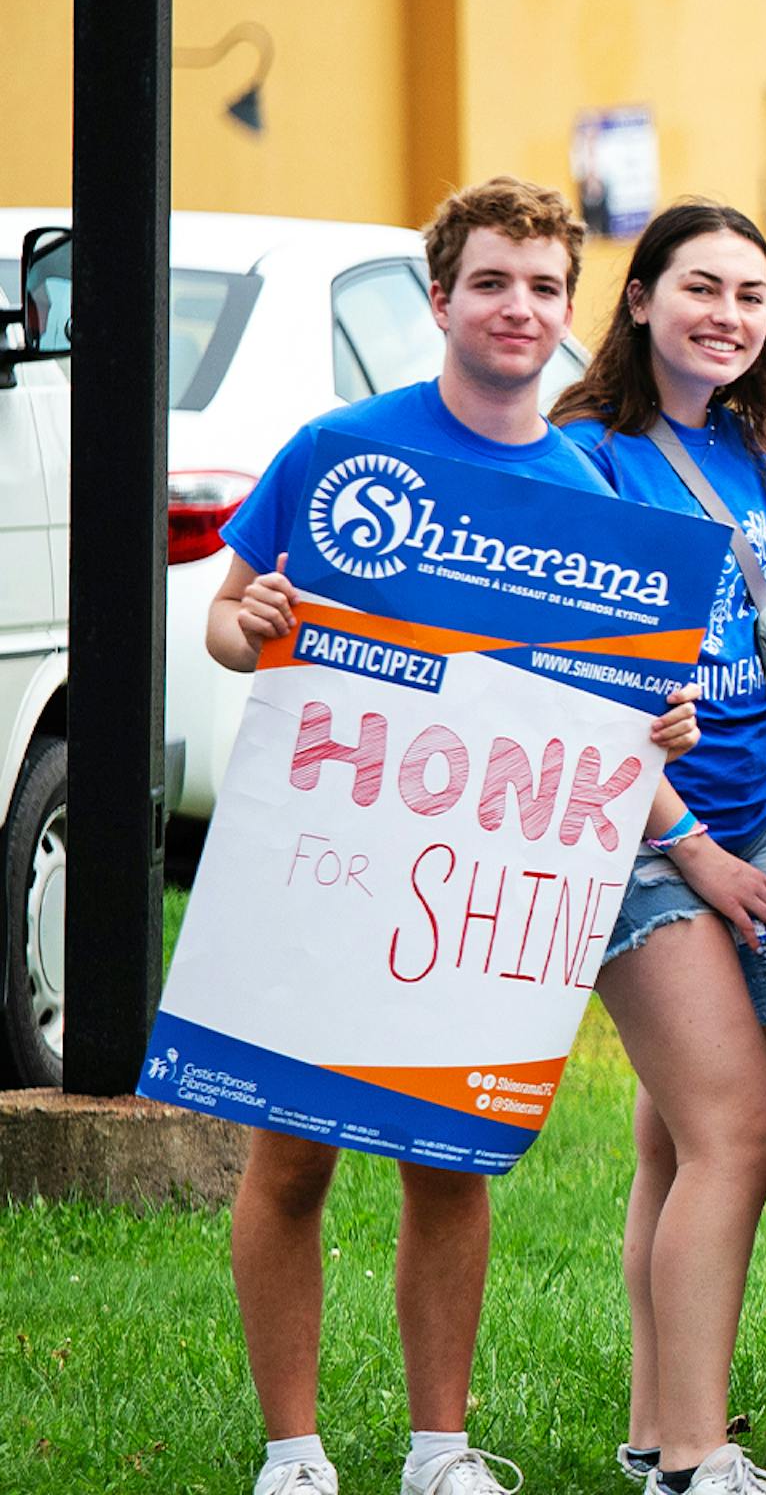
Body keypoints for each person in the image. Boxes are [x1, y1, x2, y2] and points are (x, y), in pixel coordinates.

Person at [204, 178, 702, 1495]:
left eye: (544, 287)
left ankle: (439, 1451)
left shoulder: (593, 493)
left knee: (446, 1159)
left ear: (571, 312)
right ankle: (293, 1451)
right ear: (441, 300)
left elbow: (619, 715)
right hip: (327, 857)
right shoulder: (340, 447)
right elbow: (226, 621)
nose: (518, 308)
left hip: (471, 893)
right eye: (492, 282)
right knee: (290, 1152)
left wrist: (659, 734)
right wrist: (246, 626)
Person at [553, 205, 766, 1495]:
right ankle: (701, 1460)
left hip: (756, 825)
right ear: (642, 297)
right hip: (637, 837)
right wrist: (704, 851)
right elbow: (575, 689)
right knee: (736, 1127)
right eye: (701, 287)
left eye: (752, 295)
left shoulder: (757, 461)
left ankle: (657, 1433)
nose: (728, 314)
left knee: (674, 1137)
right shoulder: (584, 460)